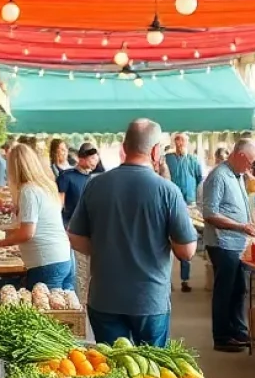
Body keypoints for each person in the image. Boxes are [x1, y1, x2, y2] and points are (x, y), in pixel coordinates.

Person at [68, 119, 196, 346]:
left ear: (124, 147)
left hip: (104, 297)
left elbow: (76, 238)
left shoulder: (95, 184)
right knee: (152, 373)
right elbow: (186, 251)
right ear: (156, 151)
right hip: (149, 300)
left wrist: (104, 248)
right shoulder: (168, 191)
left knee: (112, 372)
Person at [201, 138, 255, 353]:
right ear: (241, 155)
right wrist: (240, 226)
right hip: (223, 242)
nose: (252, 166)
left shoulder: (237, 176)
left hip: (236, 242)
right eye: (251, 161)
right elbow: (209, 213)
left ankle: (238, 330)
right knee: (225, 290)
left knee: (239, 288)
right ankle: (222, 336)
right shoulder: (218, 176)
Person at [0, 144, 74, 289]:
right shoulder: (46, 186)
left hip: (46, 261)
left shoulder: (28, 191)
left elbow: (26, 233)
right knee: (63, 307)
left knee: (45, 310)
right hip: (63, 257)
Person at [165, 133, 204, 293]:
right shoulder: (168, 159)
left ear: (188, 142)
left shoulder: (194, 160)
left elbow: (199, 180)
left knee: (185, 238)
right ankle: (167, 281)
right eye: (178, 140)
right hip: (171, 204)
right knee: (167, 241)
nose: (180, 143)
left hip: (190, 204)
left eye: (183, 140)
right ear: (174, 142)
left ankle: (185, 279)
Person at [57, 143, 99, 226]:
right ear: (81, 159)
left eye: (96, 157)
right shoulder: (66, 176)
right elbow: (59, 205)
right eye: (92, 158)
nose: (95, 160)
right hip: (70, 226)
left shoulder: (96, 178)